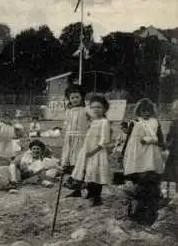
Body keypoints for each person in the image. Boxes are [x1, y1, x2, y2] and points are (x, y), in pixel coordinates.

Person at [121, 98, 165, 226]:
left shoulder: (155, 122)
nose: (146, 113)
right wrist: (123, 153)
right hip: (137, 156)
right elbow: (128, 139)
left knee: (150, 183)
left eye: (148, 111)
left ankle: (150, 213)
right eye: (143, 111)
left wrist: (153, 141)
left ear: (151, 112)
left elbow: (160, 139)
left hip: (151, 156)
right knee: (139, 184)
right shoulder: (134, 122)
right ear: (138, 111)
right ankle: (136, 212)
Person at [71, 95, 113, 206]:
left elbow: (105, 140)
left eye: (99, 107)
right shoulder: (93, 121)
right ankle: (89, 192)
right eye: (93, 107)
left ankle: (97, 197)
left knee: (96, 173)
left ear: (104, 108)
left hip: (97, 151)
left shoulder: (105, 122)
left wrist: (93, 151)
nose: (95, 109)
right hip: (88, 150)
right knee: (87, 172)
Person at [62, 84, 91, 197]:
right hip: (70, 138)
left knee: (81, 162)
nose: (74, 99)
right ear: (69, 99)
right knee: (72, 163)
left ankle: (85, 187)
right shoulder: (68, 111)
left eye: (77, 97)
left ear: (81, 98)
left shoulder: (86, 110)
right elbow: (66, 124)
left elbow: (93, 121)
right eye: (72, 98)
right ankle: (77, 188)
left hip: (81, 138)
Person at [163, 100, 178, 205]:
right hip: (175, 152)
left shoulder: (174, 123)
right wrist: (167, 144)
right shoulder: (173, 123)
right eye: (175, 109)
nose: (176, 111)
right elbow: (169, 137)